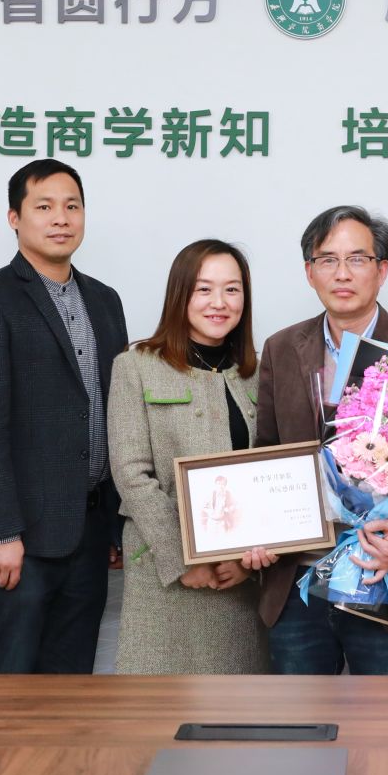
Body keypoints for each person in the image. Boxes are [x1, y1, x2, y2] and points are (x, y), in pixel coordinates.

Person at [244, 205, 388, 675]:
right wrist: (258, 529)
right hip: (297, 583)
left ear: (382, 270)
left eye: (357, 259)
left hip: (385, 572)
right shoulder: (281, 348)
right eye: (327, 260)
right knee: (300, 717)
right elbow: (266, 452)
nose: (342, 273)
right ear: (309, 272)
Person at [0, 159, 128, 674]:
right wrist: (1, 532)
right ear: (14, 218)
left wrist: (113, 525)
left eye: (72, 206)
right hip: (21, 541)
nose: (61, 218)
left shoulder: (105, 300)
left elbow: (114, 411)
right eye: (44, 207)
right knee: (9, 684)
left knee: (71, 685)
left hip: (89, 532)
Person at [106, 240, 269, 675]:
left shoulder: (259, 372)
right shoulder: (136, 366)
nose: (219, 302)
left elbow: (271, 477)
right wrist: (183, 559)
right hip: (164, 574)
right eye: (204, 289)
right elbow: (131, 473)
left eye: (232, 290)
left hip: (240, 579)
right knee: (160, 702)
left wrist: (248, 561)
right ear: (180, 294)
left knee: (240, 703)